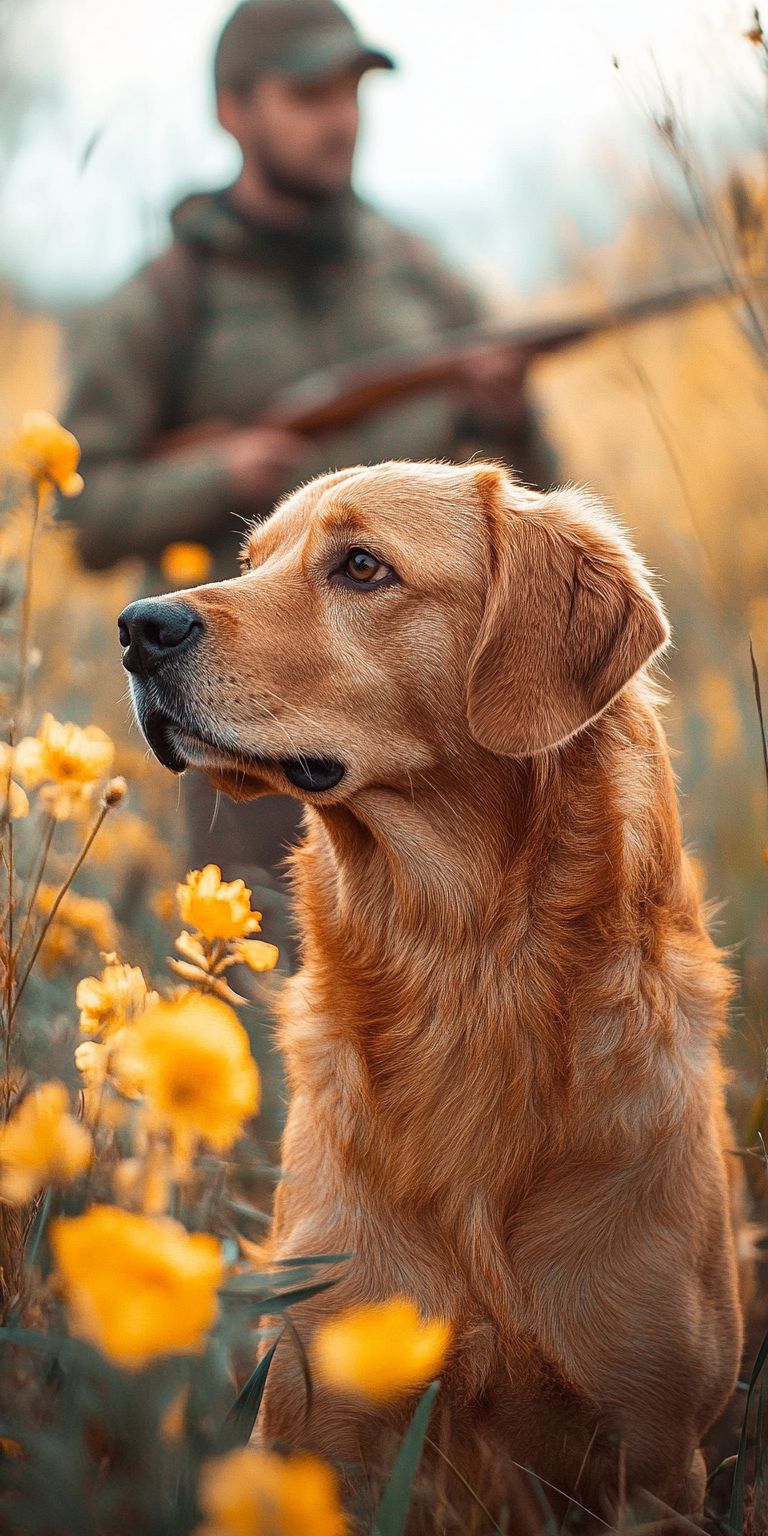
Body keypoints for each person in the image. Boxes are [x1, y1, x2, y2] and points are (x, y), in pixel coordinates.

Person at [61, 0, 555, 943]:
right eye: (307, 93)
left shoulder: (420, 278)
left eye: (352, 94)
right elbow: (79, 510)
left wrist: (510, 418)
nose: (339, 119)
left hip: (420, 737)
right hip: (235, 716)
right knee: (259, 990)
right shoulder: (166, 300)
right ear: (233, 110)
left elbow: (525, 510)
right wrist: (220, 473)